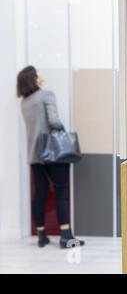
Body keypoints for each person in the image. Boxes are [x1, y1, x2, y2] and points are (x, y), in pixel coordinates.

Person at [17, 66, 85, 249]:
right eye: (38, 72)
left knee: (40, 195)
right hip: (52, 152)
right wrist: (62, 132)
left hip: (34, 155)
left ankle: (41, 236)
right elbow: (54, 121)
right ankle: (65, 237)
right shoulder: (47, 95)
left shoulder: (24, 102)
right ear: (34, 78)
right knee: (61, 192)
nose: (41, 73)